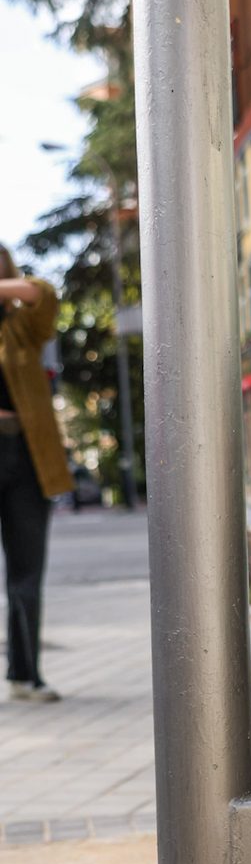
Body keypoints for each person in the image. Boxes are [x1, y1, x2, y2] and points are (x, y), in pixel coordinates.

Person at [0, 248, 71, 701]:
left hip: (25, 459)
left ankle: (25, 676)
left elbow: (44, 294)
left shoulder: (22, 327)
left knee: (25, 575)